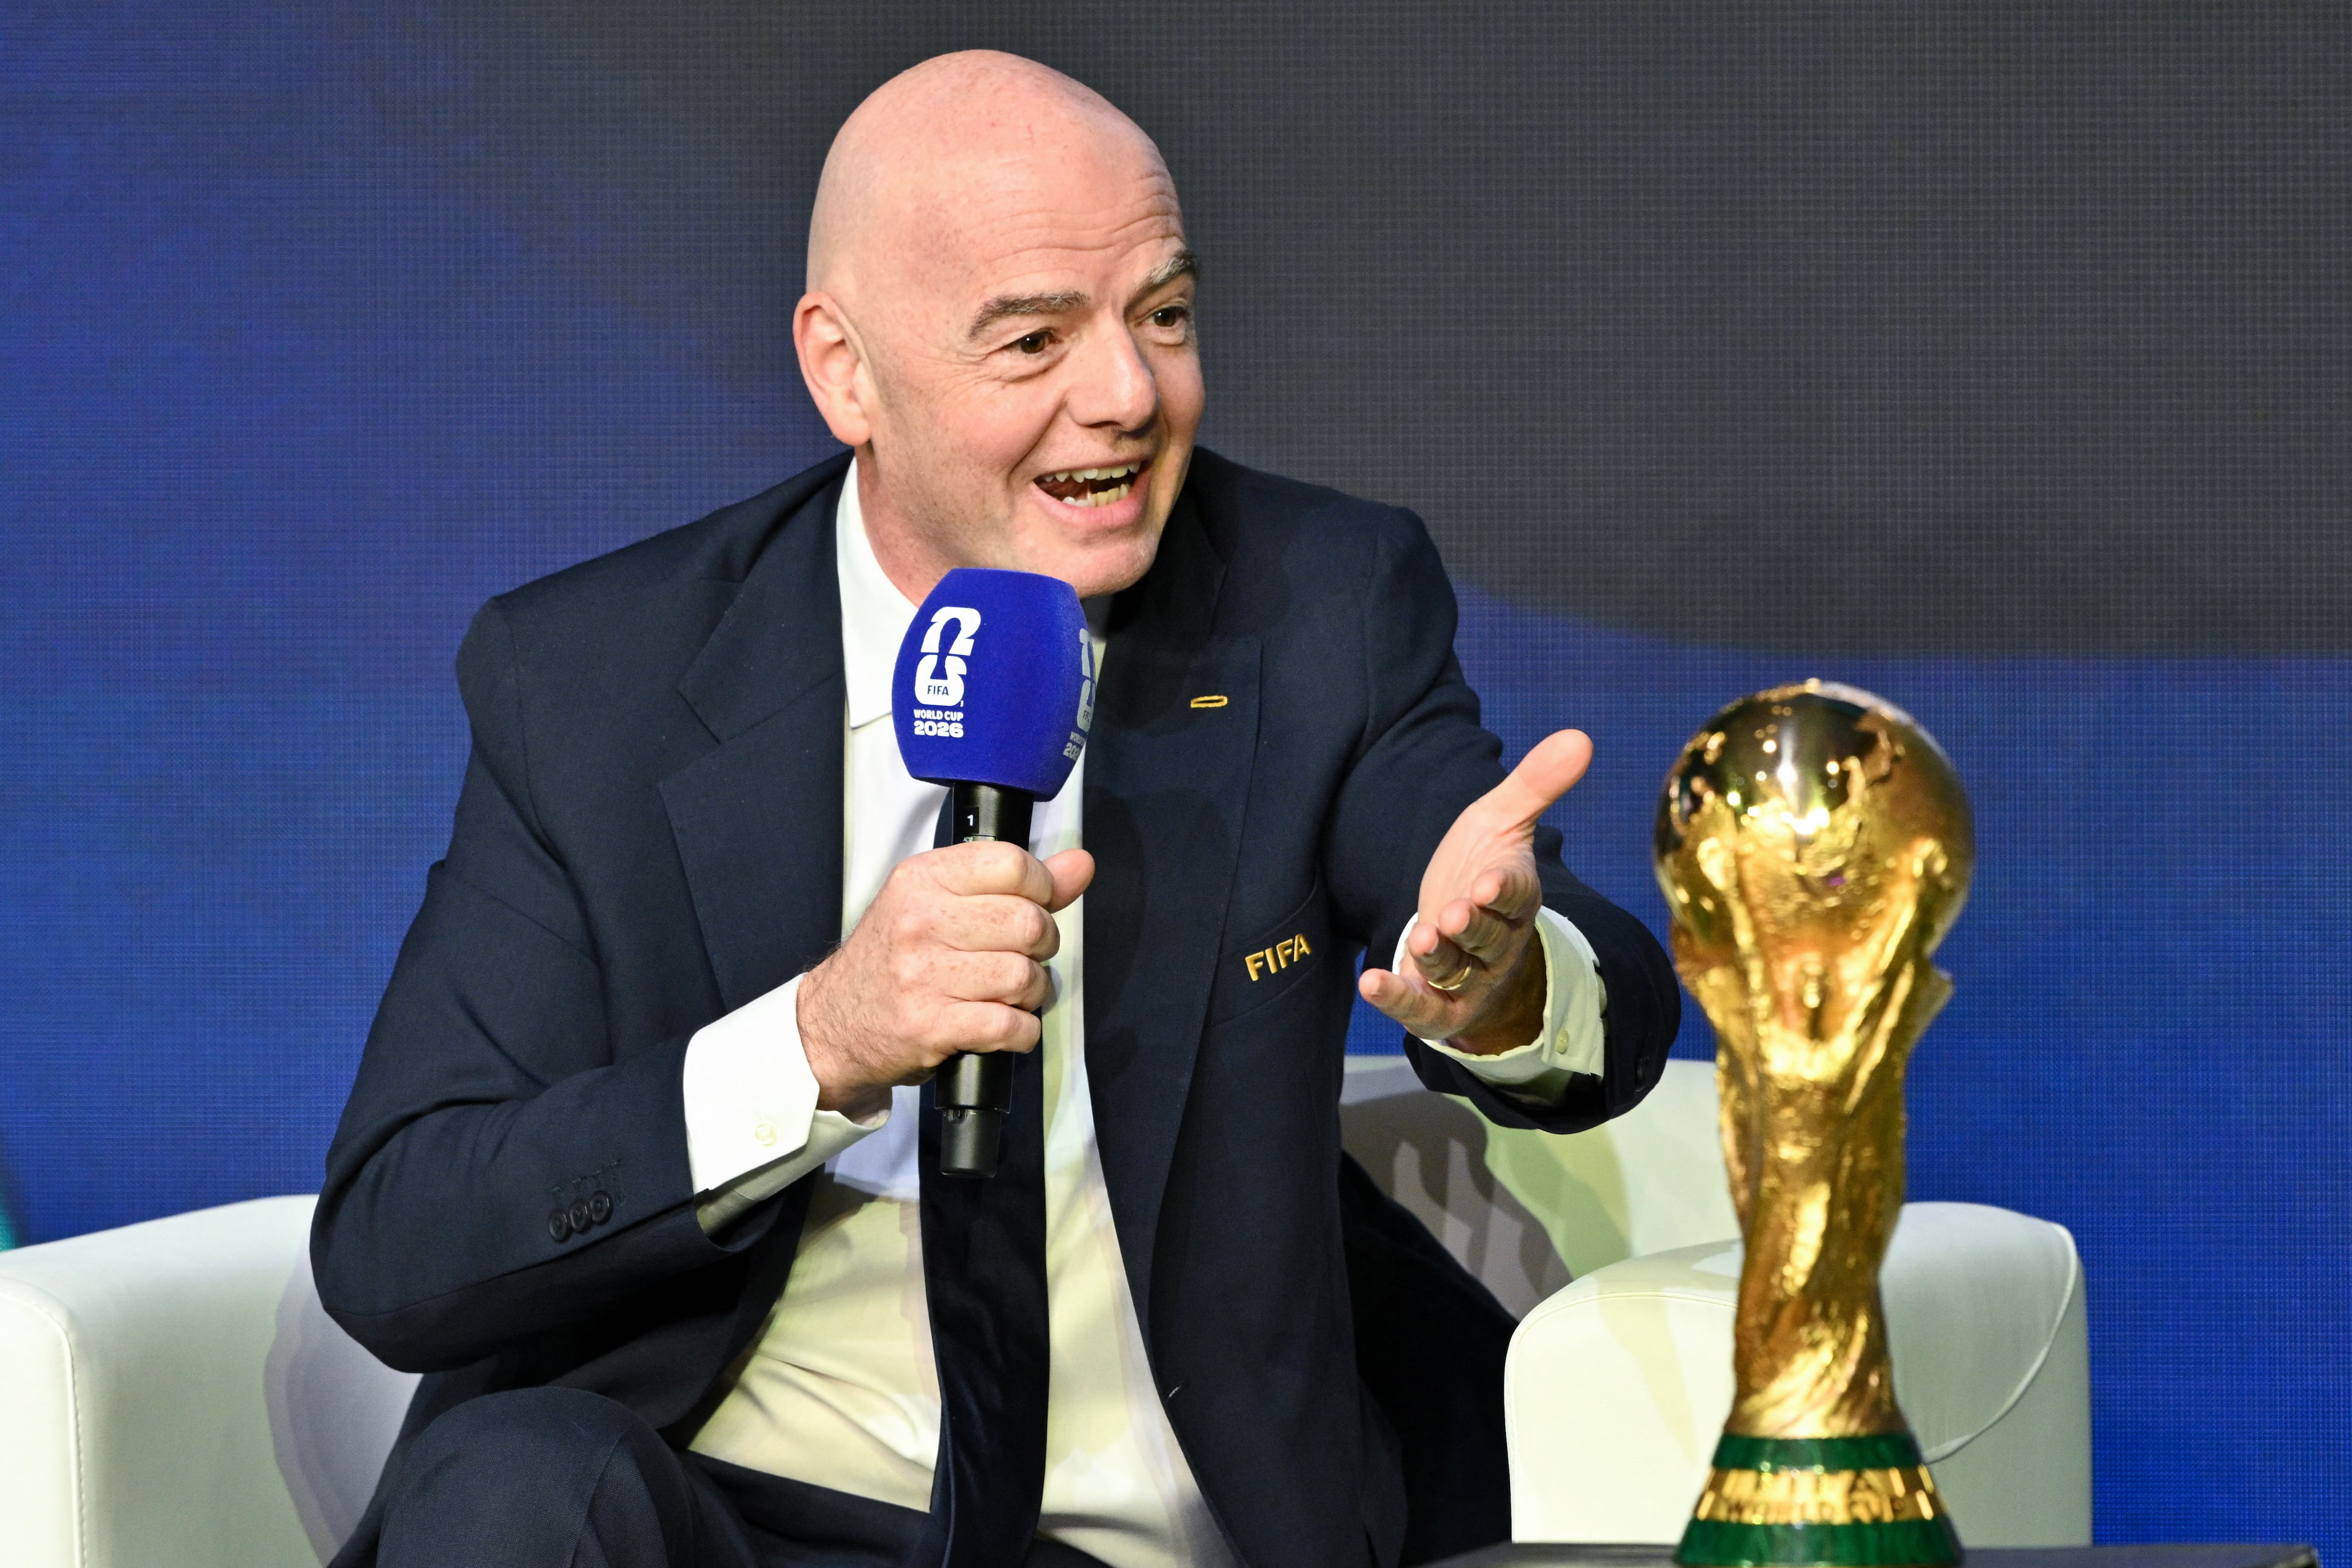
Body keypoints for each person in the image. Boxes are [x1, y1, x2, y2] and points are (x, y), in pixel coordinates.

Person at [313, 50, 1678, 1568]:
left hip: (1141, 1533)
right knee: (512, 1492)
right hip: (728, 1512)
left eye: (1164, 315)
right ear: (848, 372)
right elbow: (399, 1239)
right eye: (1034, 341)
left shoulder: (1314, 607)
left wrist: (1505, 983)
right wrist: (819, 1040)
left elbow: (1567, 975)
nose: (1129, 395)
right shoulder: (593, 680)